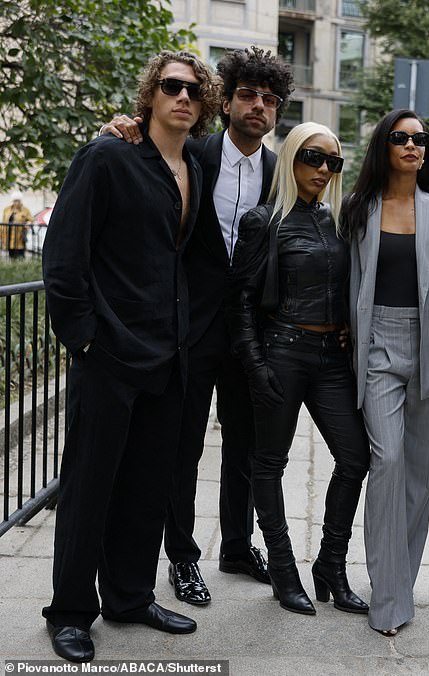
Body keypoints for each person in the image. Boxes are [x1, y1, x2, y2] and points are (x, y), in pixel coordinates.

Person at [41, 50, 218, 662]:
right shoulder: (108, 156)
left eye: (194, 90)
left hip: (170, 356)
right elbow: (64, 257)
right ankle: (69, 612)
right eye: (171, 86)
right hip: (111, 353)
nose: (183, 97)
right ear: (151, 93)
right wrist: (84, 338)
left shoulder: (196, 160)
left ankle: (129, 595)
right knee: (90, 487)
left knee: (147, 486)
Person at [101, 47, 294, 605]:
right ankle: (182, 557)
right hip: (193, 326)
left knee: (246, 446)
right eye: (248, 95)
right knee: (181, 448)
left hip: (252, 331)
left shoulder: (281, 170)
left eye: (270, 99)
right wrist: (123, 126)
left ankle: (236, 545)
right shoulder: (193, 153)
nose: (258, 106)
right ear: (226, 100)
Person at [229, 122, 370, 616]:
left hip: (332, 358)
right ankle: (284, 571)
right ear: (291, 157)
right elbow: (241, 302)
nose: (325, 170)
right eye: (314, 158)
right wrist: (253, 363)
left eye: (334, 162)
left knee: (355, 459)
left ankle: (330, 564)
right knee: (269, 462)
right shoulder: (263, 221)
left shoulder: (337, 220)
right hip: (282, 351)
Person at [342, 109, 429, 636]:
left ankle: (401, 584)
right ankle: (386, 597)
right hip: (378, 347)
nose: (412, 146)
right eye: (400, 138)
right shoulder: (359, 207)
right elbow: (346, 276)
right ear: (384, 147)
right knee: (386, 462)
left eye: (420, 139)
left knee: (419, 476)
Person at [1, 191, 32, 258]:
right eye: (15, 201)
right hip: (8, 236)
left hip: (19, 236)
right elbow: (3, 221)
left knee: (20, 254)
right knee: (10, 254)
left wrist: (28, 224)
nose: (16, 203)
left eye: (18, 201)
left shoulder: (25, 210)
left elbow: (30, 220)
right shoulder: (7, 209)